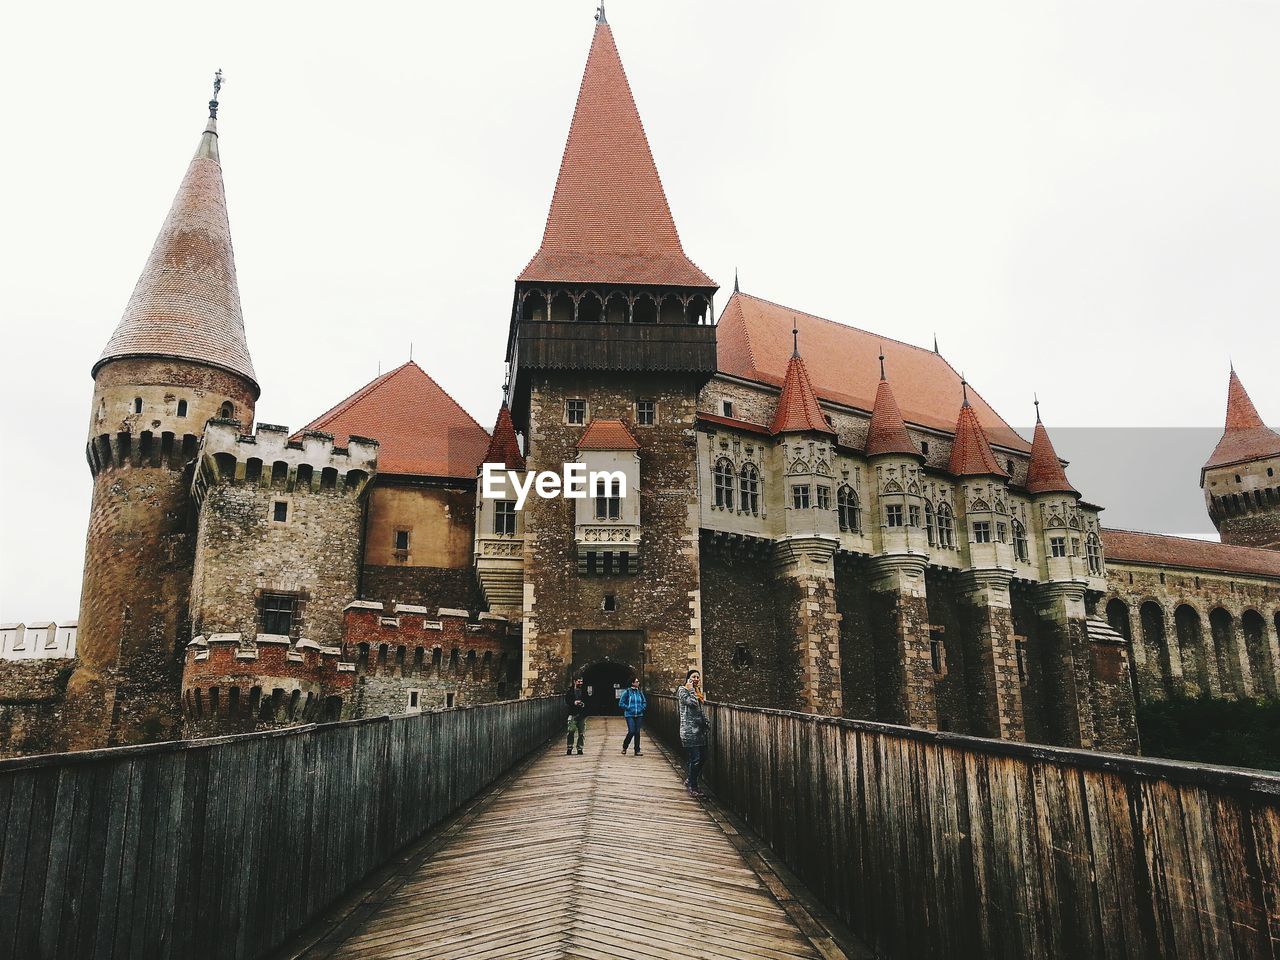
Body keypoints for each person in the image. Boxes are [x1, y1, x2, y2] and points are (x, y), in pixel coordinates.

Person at [676, 669, 709, 797]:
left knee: (703, 757)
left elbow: (700, 710)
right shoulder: (683, 691)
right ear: (688, 678)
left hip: (699, 731)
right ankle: (693, 786)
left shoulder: (697, 692)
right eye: (694, 677)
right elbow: (693, 703)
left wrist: (705, 723)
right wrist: (691, 689)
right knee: (695, 759)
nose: (696, 679)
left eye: (698, 677)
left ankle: (690, 779)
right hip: (689, 731)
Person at [618, 677, 647, 756]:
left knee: (637, 732)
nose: (638, 683)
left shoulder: (640, 692)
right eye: (636, 682)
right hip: (629, 714)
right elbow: (621, 703)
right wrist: (628, 708)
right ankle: (625, 746)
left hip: (639, 714)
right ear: (632, 683)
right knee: (631, 731)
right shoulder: (627, 692)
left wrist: (642, 708)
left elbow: (644, 702)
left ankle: (637, 750)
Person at [565, 677, 587, 755]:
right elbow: (567, 701)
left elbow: (588, 700)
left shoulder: (584, 691)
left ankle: (580, 748)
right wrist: (574, 702)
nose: (581, 683)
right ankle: (569, 747)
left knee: (581, 733)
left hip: (581, 714)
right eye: (579, 681)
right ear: (575, 682)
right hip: (572, 714)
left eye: (581, 681)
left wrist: (583, 704)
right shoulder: (570, 691)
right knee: (571, 731)